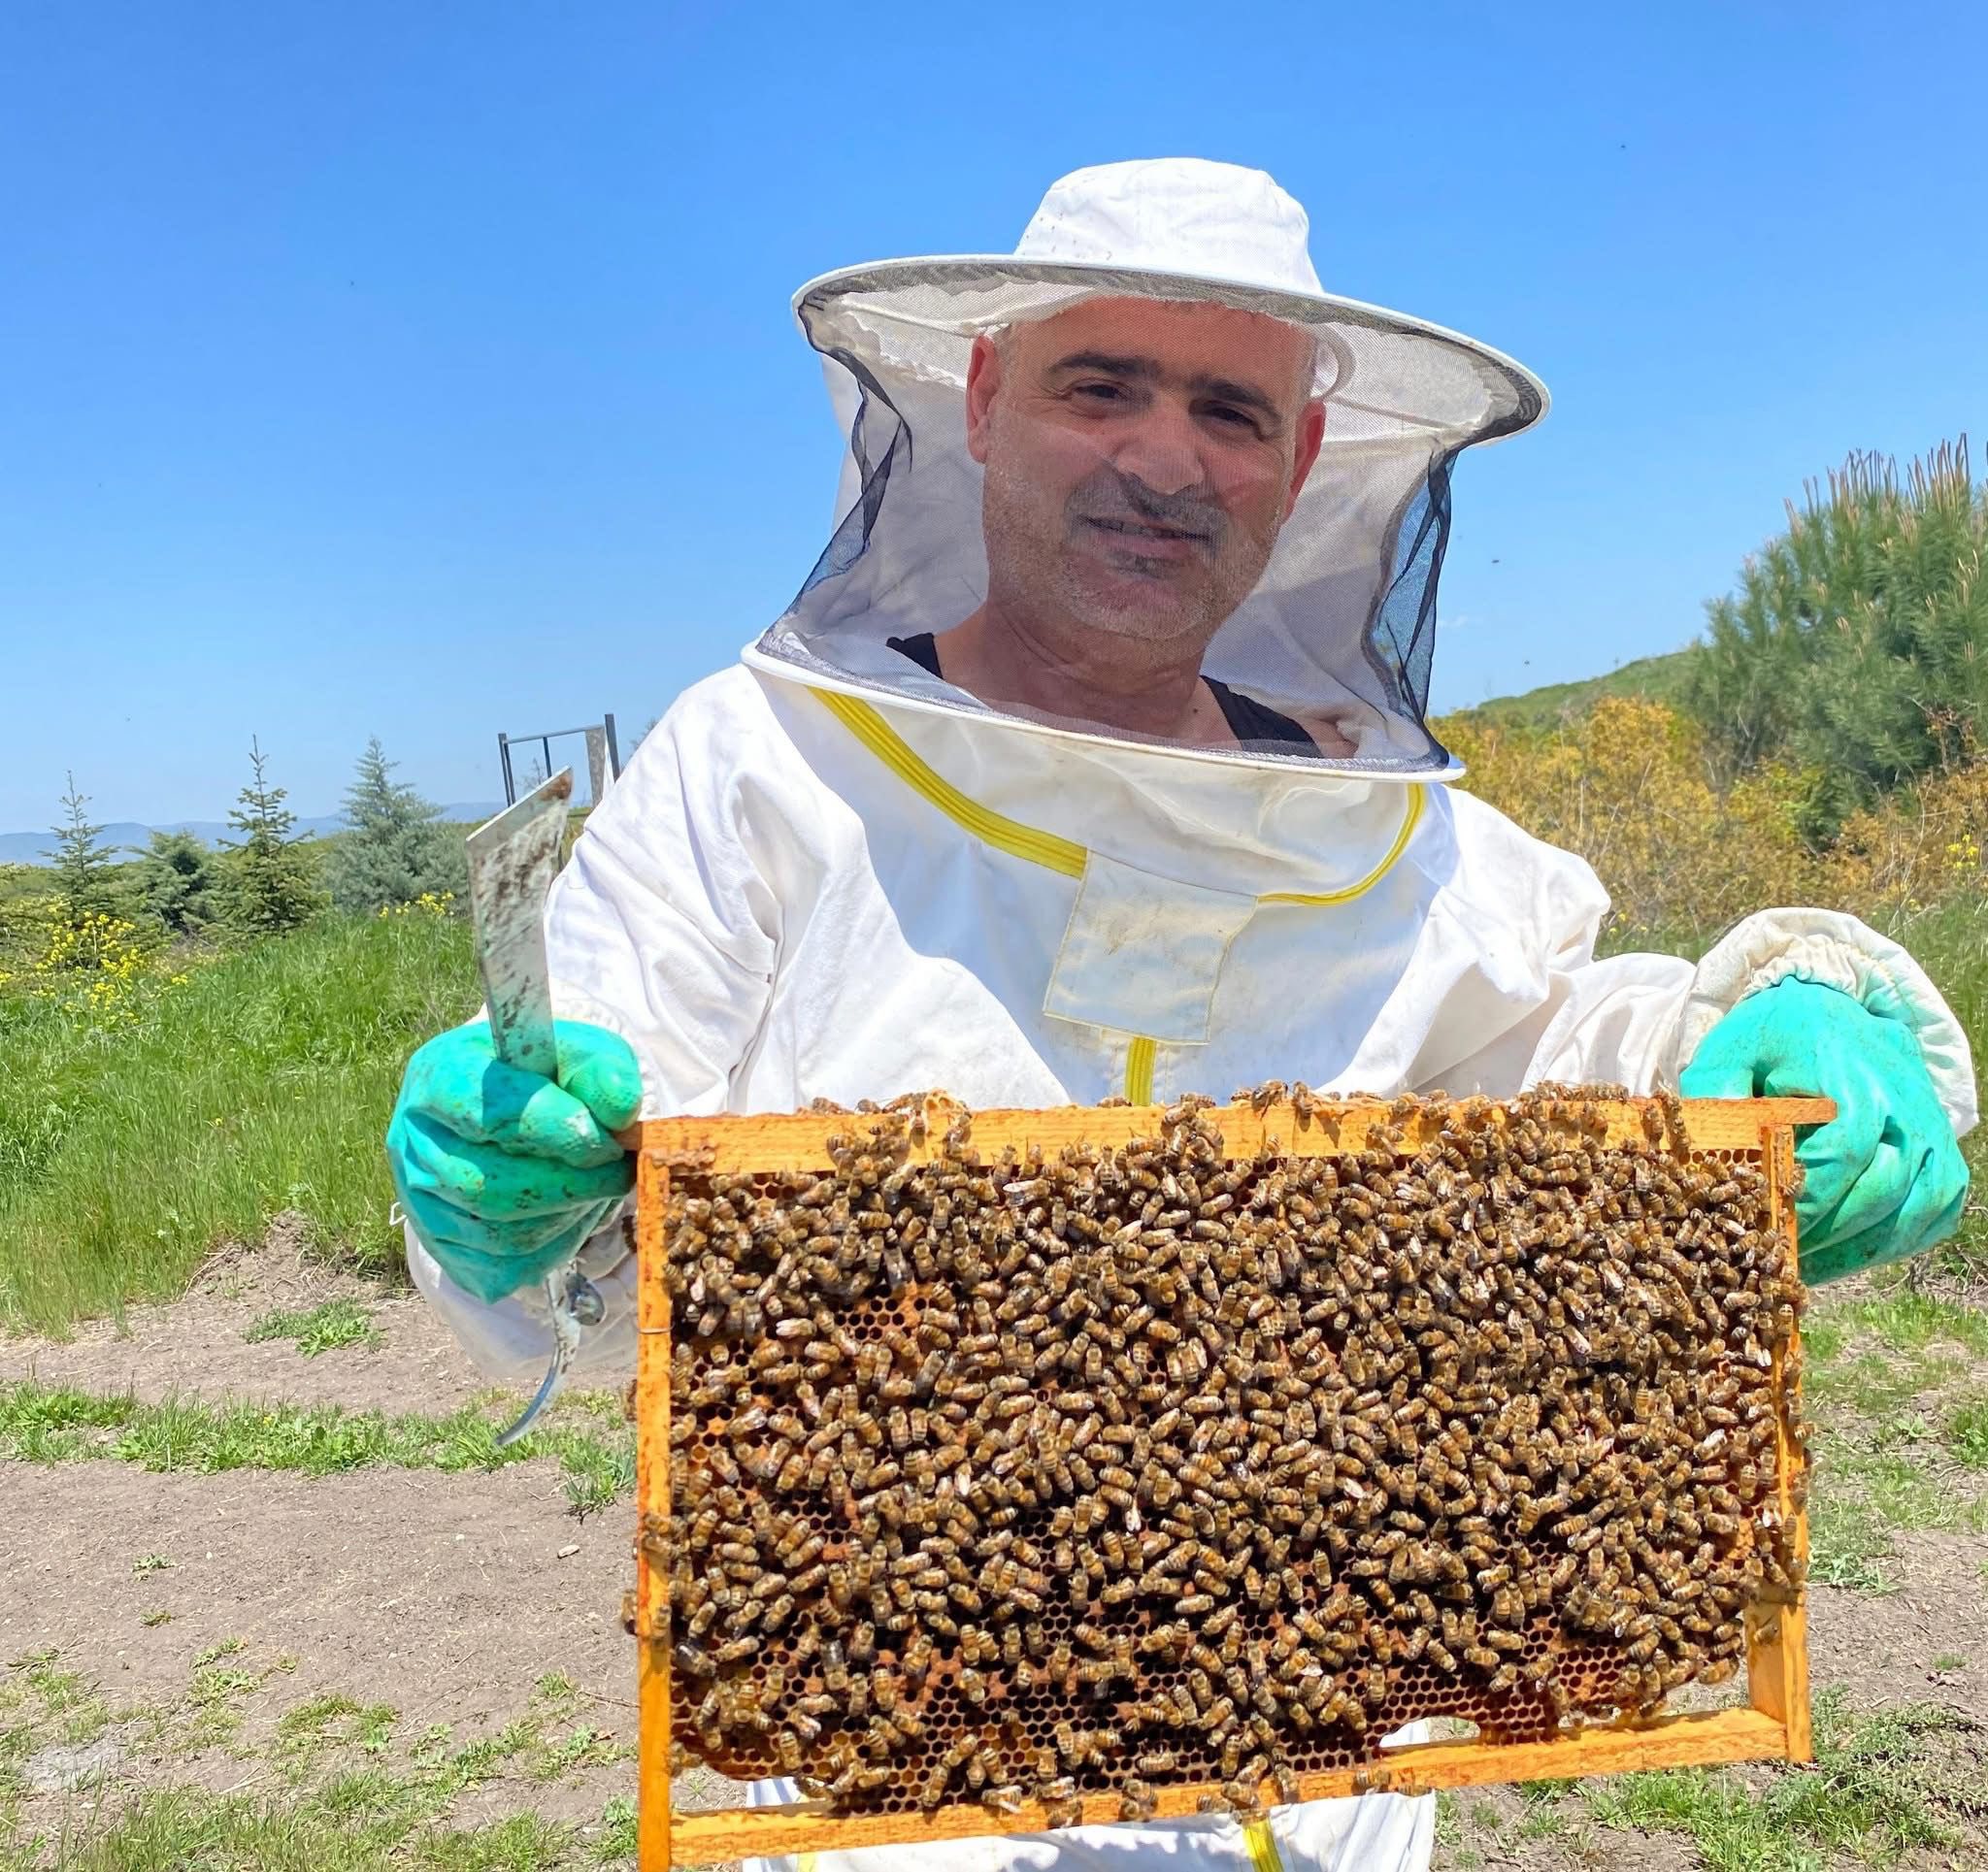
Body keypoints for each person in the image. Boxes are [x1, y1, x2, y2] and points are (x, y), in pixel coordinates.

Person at [388, 160, 1975, 1872]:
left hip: (1327, 1788)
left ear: (1300, 466)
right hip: (895, 1809)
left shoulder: (1398, 831)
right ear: (982, 404)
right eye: (1102, 385)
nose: (1166, 457)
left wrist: (1791, 1026)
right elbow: (588, 1208)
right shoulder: (757, 770)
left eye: (1231, 408)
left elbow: (1561, 1058)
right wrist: (497, 1182)